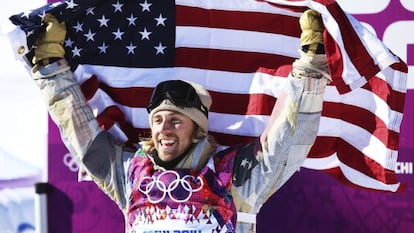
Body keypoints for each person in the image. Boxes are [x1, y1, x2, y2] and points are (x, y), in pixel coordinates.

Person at [29, 9, 329, 233]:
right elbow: (80, 133)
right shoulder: (131, 173)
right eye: (158, 119)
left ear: (198, 129)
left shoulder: (234, 176)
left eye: (176, 120)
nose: (163, 128)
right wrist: (50, 69)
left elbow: (288, 140)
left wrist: (310, 68)